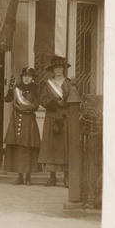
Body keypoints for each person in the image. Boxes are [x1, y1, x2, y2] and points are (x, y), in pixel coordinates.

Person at [38, 56, 79, 187]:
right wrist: (55, 104)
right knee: (52, 148)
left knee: (65, 147)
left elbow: (75, 98)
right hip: (52, 117)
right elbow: (42, 99)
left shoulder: (69, 83)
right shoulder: (47, 84)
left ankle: (66, 177)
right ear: (53, 70)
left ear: (64, 69)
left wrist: (65, 103)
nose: (58, 70)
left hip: (65, 118)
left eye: (60, 68)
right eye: (56, 68)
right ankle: (52, 177)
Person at [3, 67, 41, 186]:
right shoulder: (16, 88)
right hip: (16, 120)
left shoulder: (36, 89)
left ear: (33, 78)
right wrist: (10, 87)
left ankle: (28, 176)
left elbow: (36, 106)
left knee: (28, 147)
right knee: (18, 148)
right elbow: (7, 99)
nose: (26, 78)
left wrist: (22, 108)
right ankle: (19, 176)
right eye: (25, 76)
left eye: (29, 76)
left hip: (29, 121)